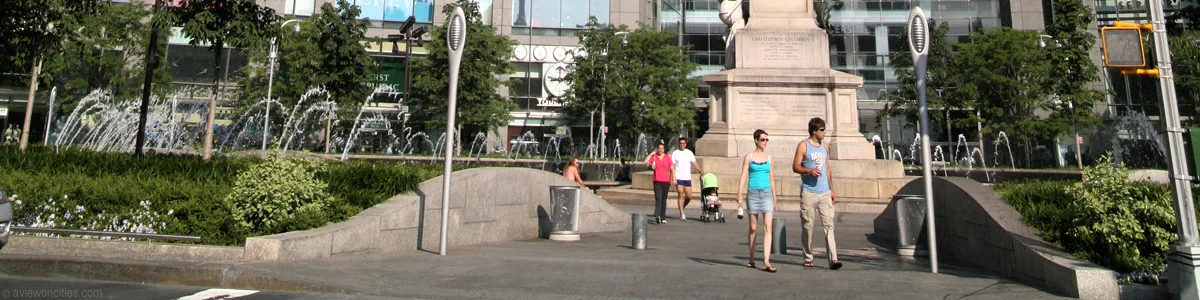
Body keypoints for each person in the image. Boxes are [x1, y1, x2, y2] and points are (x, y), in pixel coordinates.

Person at [792, 117, 843, 270]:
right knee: (808, 226)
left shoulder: (825, 147)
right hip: (809, 191)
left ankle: (833, 259)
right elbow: (795, 166)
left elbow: (827, 169)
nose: (824, 132)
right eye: (822, 130)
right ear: (814, 131)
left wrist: (831, 189)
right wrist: (808, 170)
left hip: (824, 192)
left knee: (829, 225)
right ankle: (808, 256)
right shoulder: (803, 146)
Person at [736, 129, 777, 273]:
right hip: (753, 193)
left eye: (767, 140)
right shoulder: (749, 157)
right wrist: (739, 193)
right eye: (762, 140)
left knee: (768, 227)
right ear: (756, 140)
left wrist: (774, 196)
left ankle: (766, 261)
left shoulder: (770, 158)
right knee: (753, 227)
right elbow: (743, 175)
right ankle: (752, 257)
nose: (765, 142)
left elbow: (771, 178)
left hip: (766, 194)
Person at [671, 137, 703, 221]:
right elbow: (672, 166)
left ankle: (682, 207)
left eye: (683, 143)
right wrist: (673, 177)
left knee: (688, 196)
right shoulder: (675, 153)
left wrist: (699, 170)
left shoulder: (689, 153)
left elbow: (694, 162)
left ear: (686, 144)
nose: (682, 145)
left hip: (687, 177)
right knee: (681, 193)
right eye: (680, 143)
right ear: (679, 144)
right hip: (679, 176)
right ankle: (682, 213)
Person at [644, 143, 673, 224]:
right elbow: (645, 162)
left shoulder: (667, 157)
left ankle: (663, 217)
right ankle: (657, 215)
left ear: (664, 149)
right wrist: (651, 154)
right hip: (657, 180)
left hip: (666, 181)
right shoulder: (654, 157)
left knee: (664, 199)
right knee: (658, 198)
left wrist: (672, 178)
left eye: (662, 148)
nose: (660, 150)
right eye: (659, 148)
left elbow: (671, 167)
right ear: (657, 149)